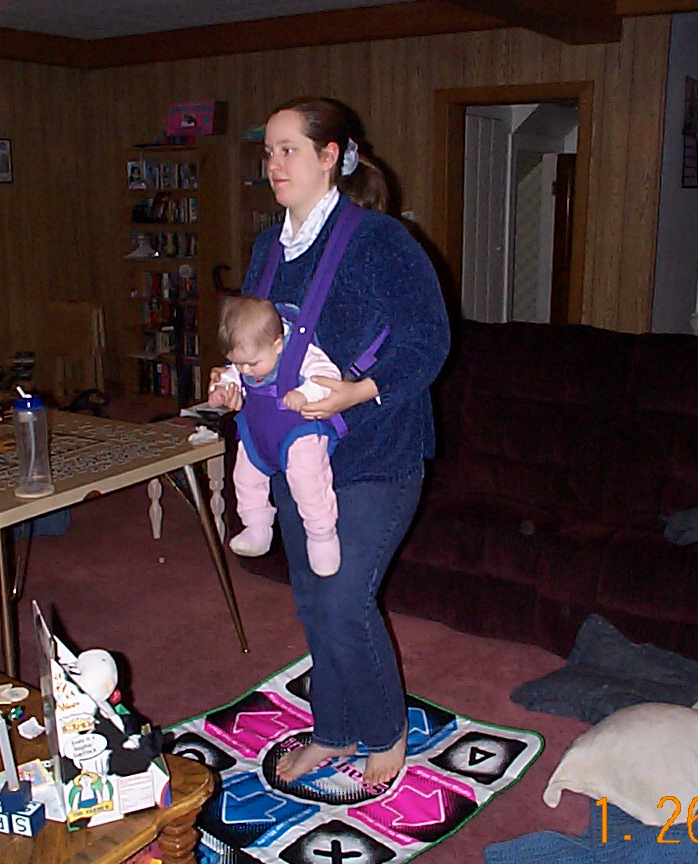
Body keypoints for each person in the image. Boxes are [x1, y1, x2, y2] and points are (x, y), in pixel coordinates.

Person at [209, 96, 450, 786]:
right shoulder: (268, 247)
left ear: (329, 156)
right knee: (314, 602)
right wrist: (234, 379)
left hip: (378, 453)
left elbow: (429, 341)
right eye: (268, 152)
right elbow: (256, 340)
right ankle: (333, 730)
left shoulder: (381, 241)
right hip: (295, 452)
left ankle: (384, 730)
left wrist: (358, 391)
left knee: (345, 600)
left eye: (288, 149)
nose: (274, 164)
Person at [209, 294, 343, 576]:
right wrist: (221, 389)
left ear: (277, 345)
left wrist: (306, 393)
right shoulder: (248, 357)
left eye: (252, 364)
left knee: (308, 482)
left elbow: (329, 376)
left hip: (299, 433)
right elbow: (231, 375)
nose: (246, 370)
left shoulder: (300, 352)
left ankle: (322, 536)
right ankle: (256, 527)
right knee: (244, 476)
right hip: (259, 433)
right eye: (239, 363)